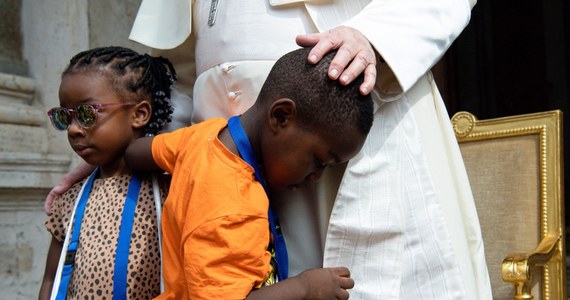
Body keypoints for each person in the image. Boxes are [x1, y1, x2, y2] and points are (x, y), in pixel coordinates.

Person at [46, 0, 493, 299]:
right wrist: (104, 157)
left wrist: (373, 39)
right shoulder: (199, 150)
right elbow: (175, 77)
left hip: (349, 111)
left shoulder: (319, 154)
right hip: (221, 150)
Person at [123, 47, 372, 299]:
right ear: (281, 116)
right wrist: (305, 287)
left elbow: (140, 152)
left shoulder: (204, 136)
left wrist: (114, 150)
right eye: (319, 161)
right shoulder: (232, 207)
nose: (316, 177)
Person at [38, 46, 175, 300]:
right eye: (64, 117)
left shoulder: (171, 193)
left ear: (139, 114)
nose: (73, 130)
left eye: (86, 114)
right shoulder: (69, 200)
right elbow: (51, 278)